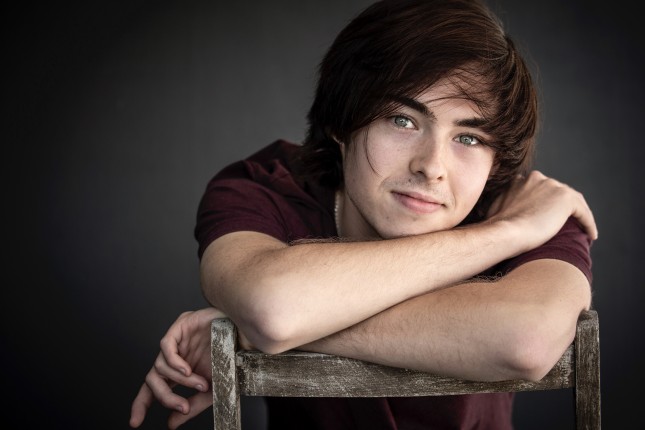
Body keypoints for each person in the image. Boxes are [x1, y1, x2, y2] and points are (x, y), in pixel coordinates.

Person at [130, 0, 598, 428]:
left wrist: (262, 328)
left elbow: (527, 341)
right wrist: (506, 234)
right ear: (341, 121)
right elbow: (273, 307)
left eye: (469, 138)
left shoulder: (530, 205)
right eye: (402, 120)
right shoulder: (263, 186)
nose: (431, 167)